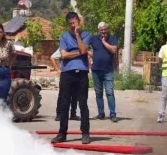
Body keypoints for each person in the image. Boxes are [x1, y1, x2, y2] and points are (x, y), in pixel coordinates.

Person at [52, 12, 91, 144]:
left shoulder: (86, 35)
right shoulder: (64, 36)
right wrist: (79, 53)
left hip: (82, 73)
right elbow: (63, 55)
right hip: (67, 73)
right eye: (70, 24)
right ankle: (62, 133)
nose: (73, 26)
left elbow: (84, 50)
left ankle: (85, 133)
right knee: (64, 104)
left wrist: (77, 35)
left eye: (75, 23)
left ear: (79, 22)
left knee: (83, 104)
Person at [90, 21, 119, 122]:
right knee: (98, 93)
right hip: (96, 70)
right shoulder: (93, 38)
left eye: (105, 29)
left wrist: (104, 42)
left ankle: (112, 114)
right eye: (102, 30)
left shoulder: (112, 38)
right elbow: (85, 49)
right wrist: (91, 56)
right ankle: (101, 113)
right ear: (98, 30)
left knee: (110, 92)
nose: (104, 32)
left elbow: (113, 50)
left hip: (108, 71)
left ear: (108, 29)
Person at [50, 49, 79, 121]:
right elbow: (52, 57)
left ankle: (73, 114)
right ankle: (59, 115)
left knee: (74, 95)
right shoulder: (63, 48)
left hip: (76, 73)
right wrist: (57, 69)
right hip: (65, 74)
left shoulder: (77, 47)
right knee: (63, 95)